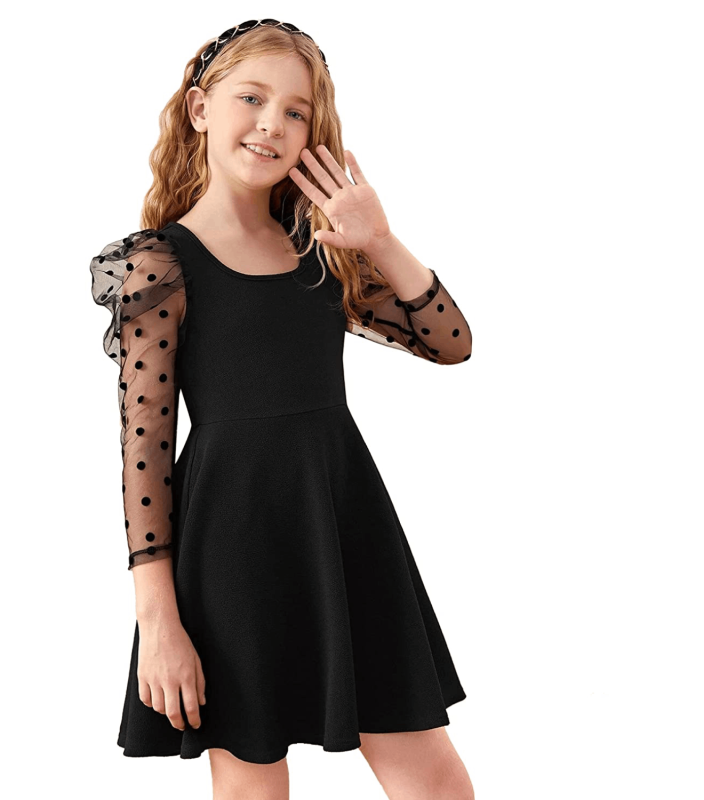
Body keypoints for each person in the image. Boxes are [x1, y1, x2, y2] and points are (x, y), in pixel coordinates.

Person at [89, 19, 474, 800]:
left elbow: (452, 342)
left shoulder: (321, 250)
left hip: (346, 529)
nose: (273, 123)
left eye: (296, 112)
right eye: (252, 98)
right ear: (200, 108)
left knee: (430, 777)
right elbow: (143, 450)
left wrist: (380, 241)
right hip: (232, 548)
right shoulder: (159, 265)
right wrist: (158, 619)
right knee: (250, 785)